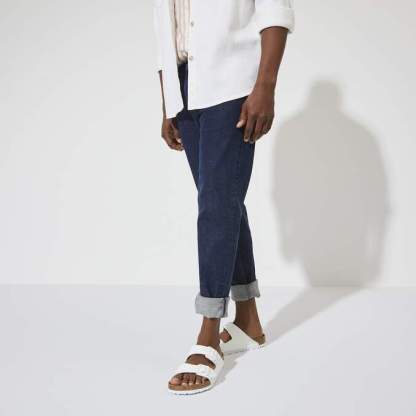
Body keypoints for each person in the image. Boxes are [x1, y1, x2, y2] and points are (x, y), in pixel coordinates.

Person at [153, 0, 295, 395]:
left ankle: (209, 333)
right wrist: (168, 102)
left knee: (215, 205)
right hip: (184, 88)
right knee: (223, 200)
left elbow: (275, 13)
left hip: (232, 84)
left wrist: (265, 86)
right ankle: (248, 320)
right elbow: (166, 33)